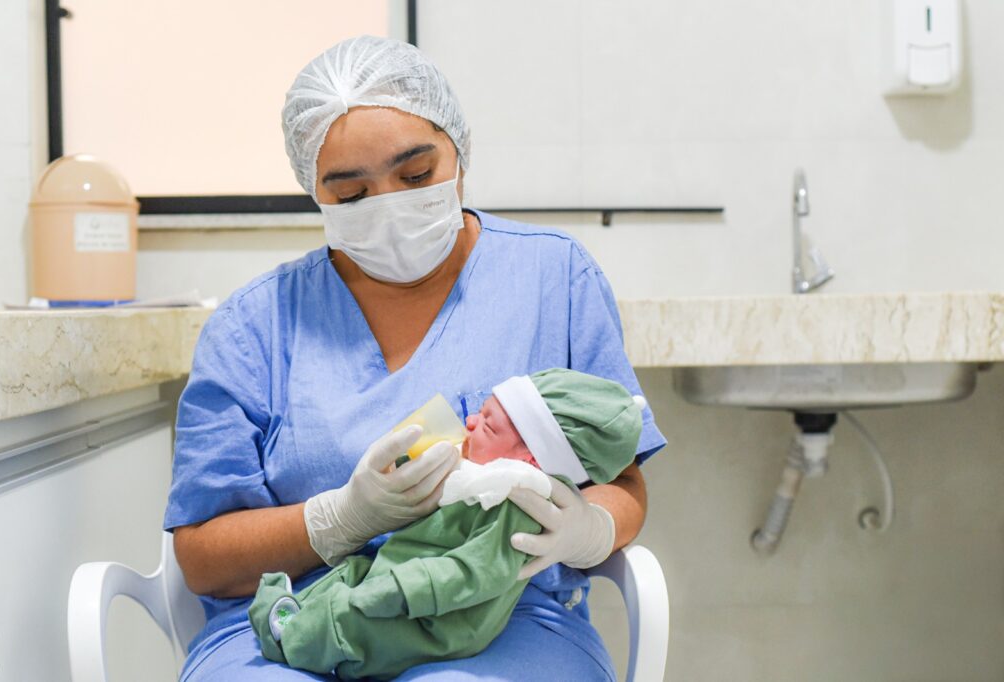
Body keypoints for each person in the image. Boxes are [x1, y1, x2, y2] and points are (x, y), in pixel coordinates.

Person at [165, 34, 666, 681]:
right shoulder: (252, 326)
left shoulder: (553, 278)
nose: (390, 207)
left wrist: (589, 530)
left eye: (416, 175)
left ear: (460, 150)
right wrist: (339, 520)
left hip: (499, 616)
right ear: (314, 191)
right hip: (295, 620)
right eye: (352, 194)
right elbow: (204, 560)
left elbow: (621, 484)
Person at [248, 369, 646, 680]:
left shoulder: (518, 508)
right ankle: (297, 608)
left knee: (352, 619)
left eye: (487, 425)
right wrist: (348, 514)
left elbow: (475, 572)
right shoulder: (477, 479)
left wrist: (402, 587)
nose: (469, 420)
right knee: (350, 573)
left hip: (438, 616)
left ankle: (292, 638)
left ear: (530, 461)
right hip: (398, 575)